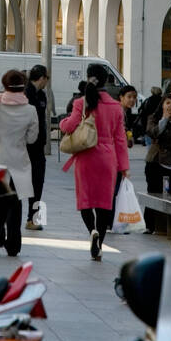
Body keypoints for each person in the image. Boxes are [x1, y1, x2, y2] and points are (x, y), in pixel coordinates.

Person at [59, 63, 130, 261]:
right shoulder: (115, 106)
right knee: (104, 204)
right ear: (107, 80)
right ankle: (99, 242)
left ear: (89, 77)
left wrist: (63, 121)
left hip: (86, 157)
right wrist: (123, 166)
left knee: (86, 201)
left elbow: (69, 125)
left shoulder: (81, 103)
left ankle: (92, 231)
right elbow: (120, 139)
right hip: (108, 159)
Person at [0, 70, 39, 257]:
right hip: (18, 161)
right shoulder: (30, 110)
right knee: (15, 204)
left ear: (4, 84)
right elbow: (32, 139)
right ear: (23, 86)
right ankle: (13, 245)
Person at [24, 64, 49, 230]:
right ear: (42, 78)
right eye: (47, 78)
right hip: (25, 146)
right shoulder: (26, 94)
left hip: (38, 145)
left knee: (37, 182)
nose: (47, 81)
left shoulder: (42, 95)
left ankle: (33, 218)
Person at [119, 85, 139, 150]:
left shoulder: (126, 111)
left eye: (134, 97)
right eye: (129, 97)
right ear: (121, 97)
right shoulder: (118, 111)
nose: (132, 100)